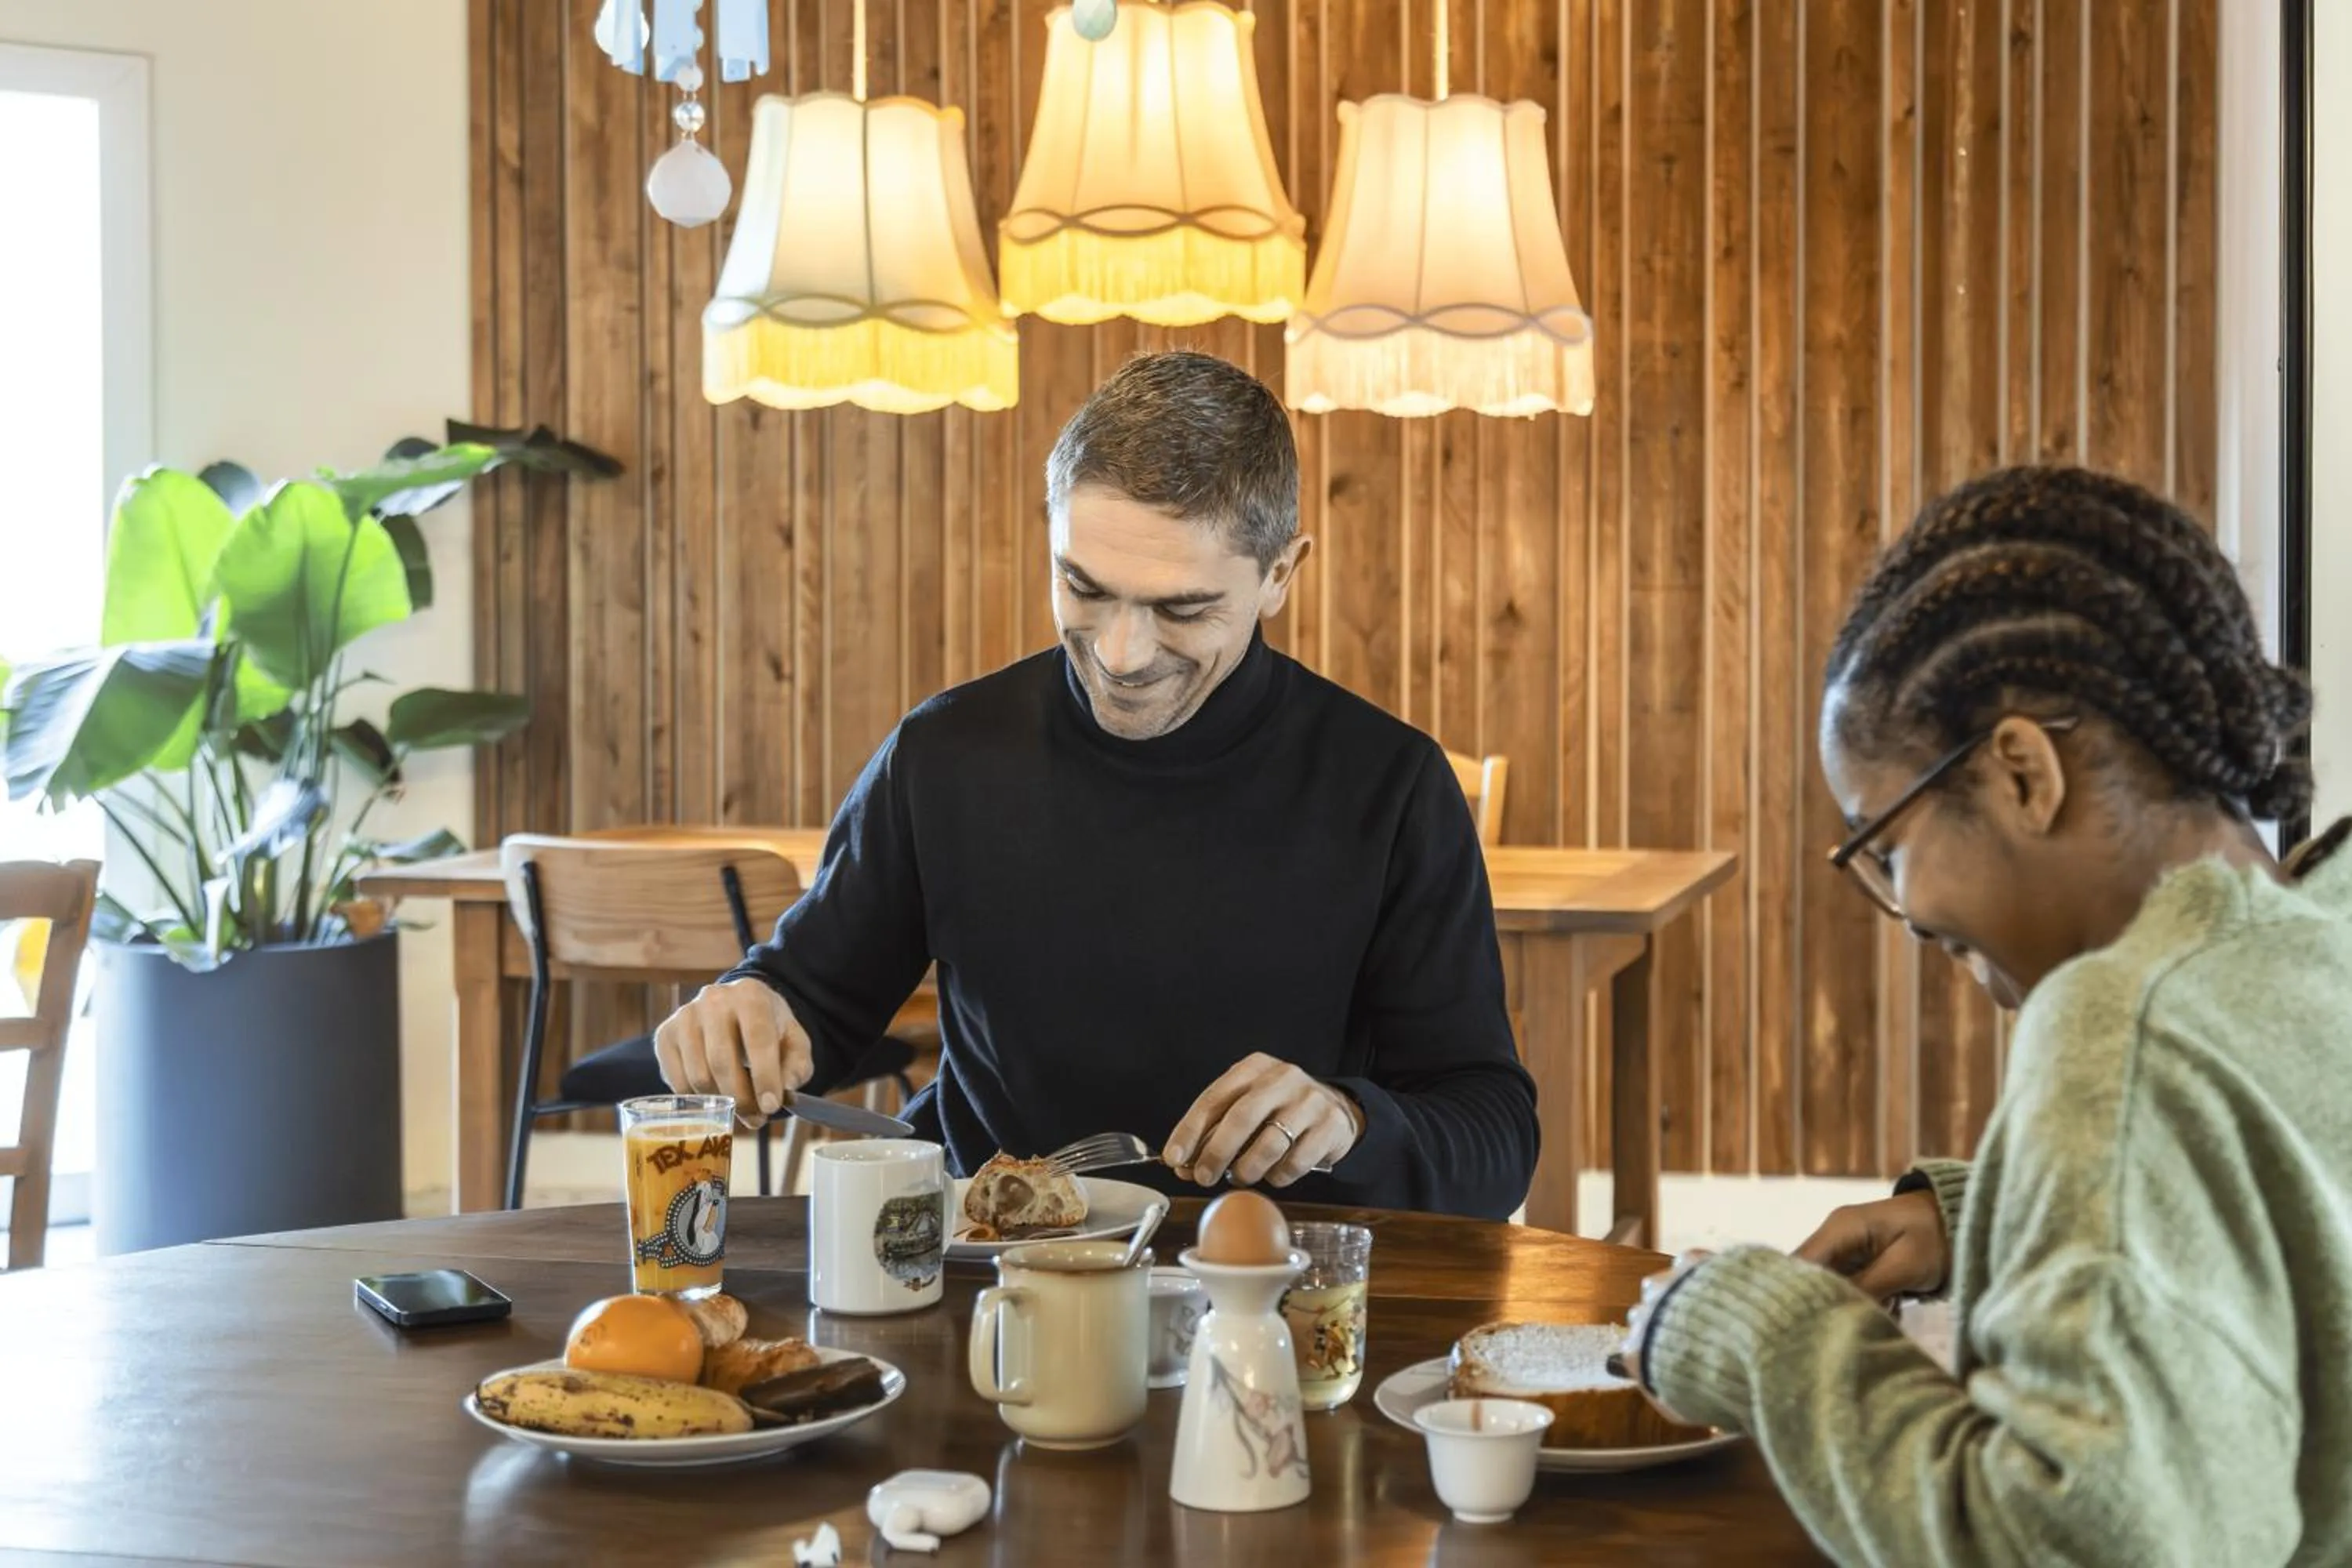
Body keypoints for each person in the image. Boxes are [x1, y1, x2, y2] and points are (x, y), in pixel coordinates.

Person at [1619, 466, 2351, 1564]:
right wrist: (1991, 1215)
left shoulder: (2119, 1028)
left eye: (1889, 846)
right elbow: (2293, 1212)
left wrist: (1762, 1332)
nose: (1905, 912)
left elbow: (2063, 1542)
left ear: (2021, 772)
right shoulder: (2315, 920)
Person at [652, 350, 1538, 1219]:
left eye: (1182, 610)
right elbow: (814, 997)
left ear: (1280, 574)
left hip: (1274, 1289)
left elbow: (1493, 1139)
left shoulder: (1388, 785)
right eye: (1083, 586)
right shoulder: (945, 754)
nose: (1122, 656)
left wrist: (1352, 1119)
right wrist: (749, 1011)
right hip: (991, 1266)